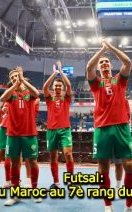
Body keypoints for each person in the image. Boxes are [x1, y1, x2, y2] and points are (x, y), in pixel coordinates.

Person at [86, 40, 132, 212]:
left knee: (129, 164)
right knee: (103, 168)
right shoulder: (96, 83)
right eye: (101, 62)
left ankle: (129, 205)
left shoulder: (119, 81)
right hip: (102, 128)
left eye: (106, 61)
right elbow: (88, 68)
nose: (104, 63)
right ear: (99, 67)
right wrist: (101, 50)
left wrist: (111, 48)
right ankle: (107, 205)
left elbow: (128, 62)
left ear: (111, 65)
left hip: (122, 127)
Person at [0, 67, 41, 206]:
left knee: (33, 162)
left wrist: (22, 81)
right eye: (12, 78)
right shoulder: (11, 95)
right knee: (15, 163)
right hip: (13, 134)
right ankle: (15, 195)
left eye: (16, 76)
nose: (14, 79)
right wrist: (14, 86)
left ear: (21, 76)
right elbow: (2, 98)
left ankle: (35, 191)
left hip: (29, 134)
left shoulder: (29, 92)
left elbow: (36, 92)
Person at [43, 61, 74, 189]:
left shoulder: (66, 98)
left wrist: (61, 72)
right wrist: (54, 73)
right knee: (53, 157)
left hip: (65, 129)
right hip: (51, 130)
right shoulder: (49, 98)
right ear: (53, 88)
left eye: (59, 87)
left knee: (67, 154)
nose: (57, 88)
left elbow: (69, 84)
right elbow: (45, 87)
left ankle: (71, 180)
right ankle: (56, 182)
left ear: (62, 89)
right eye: (55, 86)